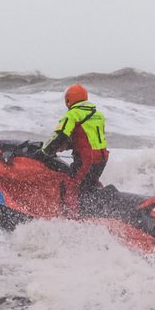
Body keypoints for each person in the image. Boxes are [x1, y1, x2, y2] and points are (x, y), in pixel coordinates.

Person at [39, 84, 109, 218]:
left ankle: (72, 219)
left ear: (68, 101)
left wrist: (44, 152)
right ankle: (97, 211)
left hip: (86, 160)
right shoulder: (98, 114)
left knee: (69, 186)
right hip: (102, 159)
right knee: (88, 185)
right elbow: (89, 137)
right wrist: (68, 145)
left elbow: (60, 135)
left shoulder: (72, 114)